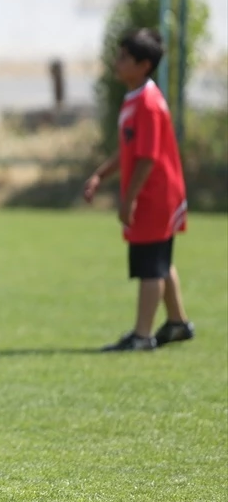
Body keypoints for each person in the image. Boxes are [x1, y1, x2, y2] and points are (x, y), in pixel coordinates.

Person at [83, 28, 193, 352]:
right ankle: (177, 323)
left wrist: (128, 200)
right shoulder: (134, 98)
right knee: (159, 259)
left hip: (155, 195)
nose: (116, 62)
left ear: (143, 64)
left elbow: (147, 158)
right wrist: (100, 176)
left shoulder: (147, 102)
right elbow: (129, 149)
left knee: (150, 265)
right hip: (153, 193)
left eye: (123, 58)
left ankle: (142, 336)